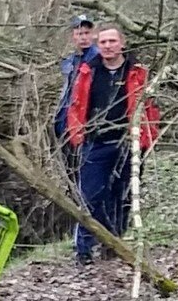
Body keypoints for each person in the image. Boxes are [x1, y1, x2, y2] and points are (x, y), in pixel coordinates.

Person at [63, 25, 163, 263]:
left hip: (128, 142)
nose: (107, 46)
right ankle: (84, 249)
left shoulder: (137, 72)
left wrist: (146, 139)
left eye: (112, 41)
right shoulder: (87, 71)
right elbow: (76, 105)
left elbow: (150, 109)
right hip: (95, 141)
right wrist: (77, 136)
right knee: (91, 195)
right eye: (103, 42)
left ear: (122, 44)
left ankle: (114, 243)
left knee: (123, 196)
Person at [50, 15, 97, 149]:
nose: (83, 37)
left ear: (93, 34)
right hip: (65, 116)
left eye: (87, 33)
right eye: (79, 34)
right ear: (73, 36)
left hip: (85, 118)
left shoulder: (98, 58)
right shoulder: (70, 60)